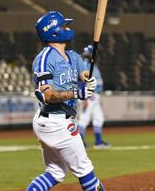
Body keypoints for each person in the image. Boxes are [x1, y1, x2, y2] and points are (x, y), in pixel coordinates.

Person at [27, 11, 105, 191]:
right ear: (54, 32)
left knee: (55, 172)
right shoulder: (45, 58)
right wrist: (77, 93)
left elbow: (84, 73)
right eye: (64, 26)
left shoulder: (72, 56)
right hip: (55, 122)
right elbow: (48, 95)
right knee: (86, 172)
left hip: (55, 122)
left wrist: (88, 79)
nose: (68, 28)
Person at [76, 45, 111, 149]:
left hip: (95, 96)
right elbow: (82, 80)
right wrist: (85, 98)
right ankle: (80, 141)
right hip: (89, 95)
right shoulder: (86, 65)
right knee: (84, 118)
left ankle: (98, 142)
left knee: (99, 118)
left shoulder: (92, 65)